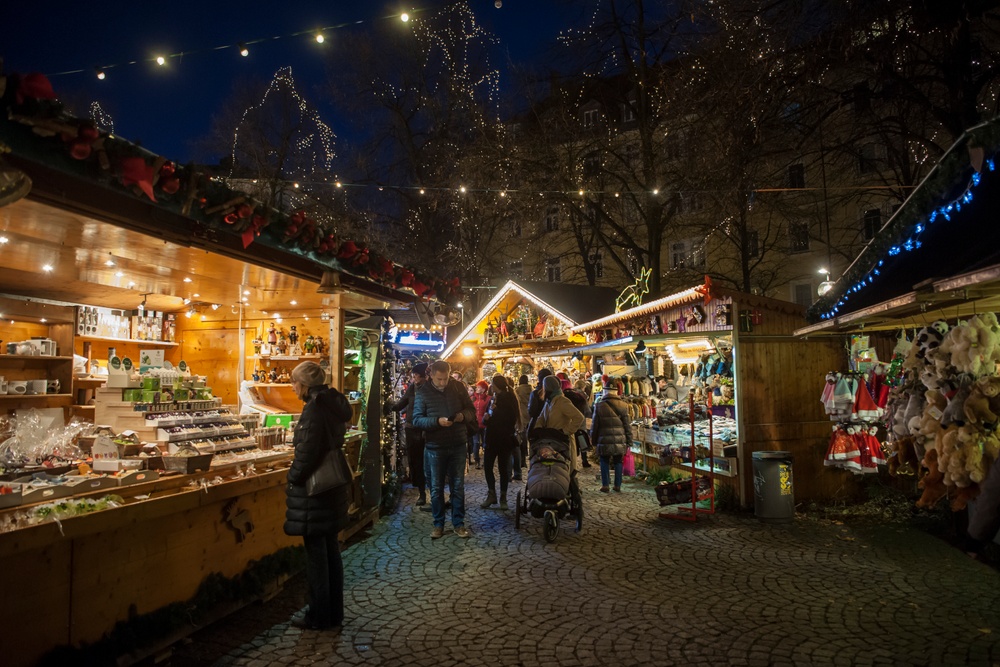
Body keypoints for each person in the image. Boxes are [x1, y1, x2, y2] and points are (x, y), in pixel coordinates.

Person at [283, 361, 353, 630]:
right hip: (331, 490)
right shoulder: (332, 404)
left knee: (317, 559)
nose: (292, 388)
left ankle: (319, 616)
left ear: (304, 384)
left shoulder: (314, 408)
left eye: (294, 383)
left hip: (315, 493)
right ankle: (334, 612)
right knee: (330, 552)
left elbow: (308, 453)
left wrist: (293, 477)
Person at [413, 360, 476, 539]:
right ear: (431, 376)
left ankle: (459, 523)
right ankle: (438, 524)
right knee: (436, 487)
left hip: (457, 443)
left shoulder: (457, 388)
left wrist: (462, 416)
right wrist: (436, 422)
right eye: (439, 379)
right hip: (435, 446)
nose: (442, 383)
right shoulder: (423, 392)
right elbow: (417, 419)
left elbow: (471, 410)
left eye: (445, 379)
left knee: (458, 487)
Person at [531, 374, 585, 506]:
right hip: (550, 441)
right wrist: (537, 430)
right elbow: (542, 418)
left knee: (568, 472)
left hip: (562, 441)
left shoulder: (562, 401)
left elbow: (579, 417)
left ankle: (576, 503)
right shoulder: (549, 402)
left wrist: (566, 431)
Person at [388, 362, 428, 505]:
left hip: (425, 429)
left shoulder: (429, 389)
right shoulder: (412, 388)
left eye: (415, 376)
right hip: (411, 429)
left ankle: (431, 491)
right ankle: (421, 491)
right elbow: (403, 403)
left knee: (426, 461)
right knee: (415, 460)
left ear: (422, 376)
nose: (413, 378)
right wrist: (391, 406)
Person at [480, 374, 520, 510]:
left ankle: (502, 497)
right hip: (492, 438)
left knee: (503, 469)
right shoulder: (494, 399)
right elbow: (488, 416)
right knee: (489, 467)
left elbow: (507, 420)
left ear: (496, 385)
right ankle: (493, 495)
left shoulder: (508, 399)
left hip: (502, 438)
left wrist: (490, 419)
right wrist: (486, 419)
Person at [591, 374, 633, 493]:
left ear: (605, 391)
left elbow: (594, 426)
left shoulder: (599, 406)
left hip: (603, 439)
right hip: (619, 439)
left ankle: (605, 485)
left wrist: (593, 441)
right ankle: (617, 485)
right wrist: (629, 441)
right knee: (618, 461)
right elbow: (627, 425)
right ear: (616, 392)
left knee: (604, 461)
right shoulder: (624, 406)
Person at [561, 376, 593, 469]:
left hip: (568, 422)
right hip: (580, 422)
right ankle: (584, 460)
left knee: (571, 442)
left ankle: (570, 460)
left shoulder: (565, 396)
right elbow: (587, 411)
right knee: (582, 440)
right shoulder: (581, 396)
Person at [512, 374, 533, 480]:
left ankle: (522, 459)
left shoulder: (518, 390)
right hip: (530, 416)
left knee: (521, 438)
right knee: (527, 437)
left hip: (522, 415)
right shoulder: (532, 390)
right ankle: (526, 457)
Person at [470, 380, 490, 468]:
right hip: (475, 424)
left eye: (479, 387)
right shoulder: (472, 398)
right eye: (477, 387)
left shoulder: (488, 398)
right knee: (476, 443)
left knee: (486, 443)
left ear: (484, 389)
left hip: (485, 424)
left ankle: (486, 461)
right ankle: (477, 460)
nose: (477, 389)